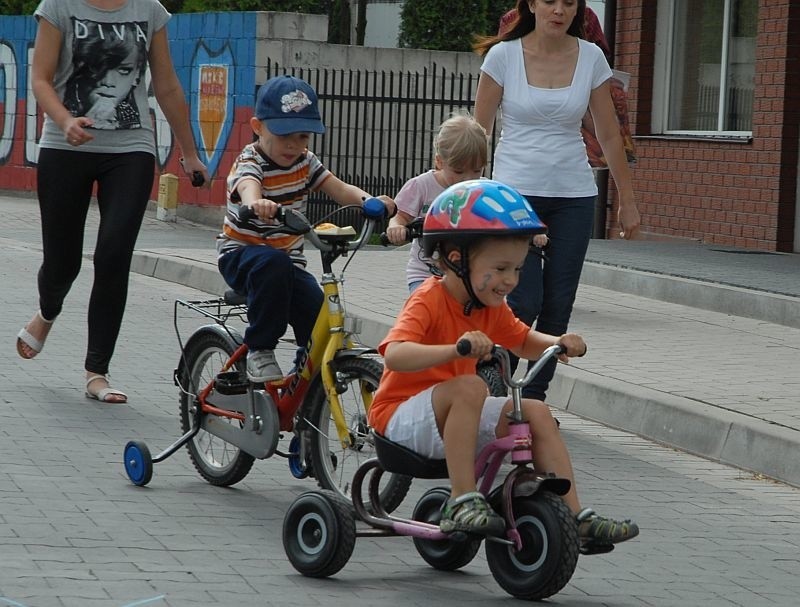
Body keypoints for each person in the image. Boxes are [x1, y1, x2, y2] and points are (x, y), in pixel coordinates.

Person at [369, 179, 639, 545]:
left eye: (517, 269)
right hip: (399, 418)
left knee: (536, 412)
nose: (510, 280)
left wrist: (557, 342)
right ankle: (461, 500)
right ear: (455, 258)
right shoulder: (428, 299)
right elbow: (396, 354)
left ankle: (576, 518)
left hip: (451, 414)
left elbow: (524, 340)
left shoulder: (490, 307)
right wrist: (455, 349)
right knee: (471, 386)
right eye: (499, 268)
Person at [17, 0, 210, 404]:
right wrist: (64, 119)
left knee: (113, 255)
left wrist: (189, 152)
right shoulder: (58, 6)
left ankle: (97, 371)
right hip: (64, 145)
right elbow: (40, 78)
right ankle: (48, 311)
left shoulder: (149, 10)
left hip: (130, 148)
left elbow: (167, 84)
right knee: (62, 263)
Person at [473, 0, 640, 401]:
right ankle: (497, 391)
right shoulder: (503, 56)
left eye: (569, 2)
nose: (559, 10)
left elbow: (609, 133)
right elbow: (479, 131)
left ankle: (533, 402)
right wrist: (467, 195)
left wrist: (628, 200)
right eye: (550, 1)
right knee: (522, 297)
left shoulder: (591, 58)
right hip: (514, 196)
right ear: (532, 4)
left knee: (558, 303)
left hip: (574, 195)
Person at [216, 75, 395, 383]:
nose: (294, 145)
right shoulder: (250, 160)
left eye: (303, 136)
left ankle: (303, 398)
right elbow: (247, 184)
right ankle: (260, 349)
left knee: (316, 315)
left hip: (287, 264)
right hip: (242, 256)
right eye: (284, 134)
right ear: (258, 127)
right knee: (274, 263)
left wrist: (371, 201)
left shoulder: (305, 162)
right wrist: (257, 202)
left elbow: (339, 189)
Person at [385, 111, 547, 292]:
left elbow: (509, 218)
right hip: (426, 275)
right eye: (459, 172)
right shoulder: (421, 186)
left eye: (477, 171)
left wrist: (531, 232)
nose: (468, 179)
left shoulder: (486, 191)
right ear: (439, 162)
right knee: (427, 313)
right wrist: (396, 228)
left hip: (470, 277)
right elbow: (399, 216)